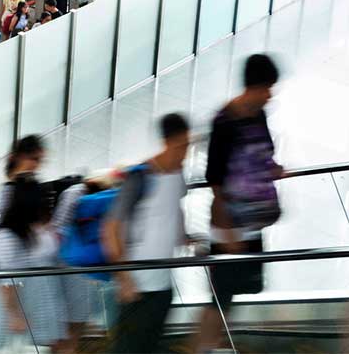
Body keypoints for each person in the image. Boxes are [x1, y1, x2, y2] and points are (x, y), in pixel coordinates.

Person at [194, 54, 283, 353]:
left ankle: (217, 344)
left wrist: (271, 168)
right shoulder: (225, 121)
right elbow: (215, 179)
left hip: (251, 221)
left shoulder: (257, 114)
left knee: (234, 290)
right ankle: (205, 346)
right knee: (221, 295)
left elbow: (262, 153)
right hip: (228, 223)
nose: (270, 95)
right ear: (254, 86)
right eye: (267, 87)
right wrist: (228, 230)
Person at [102, 113, 191, 353]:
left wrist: (184, 236)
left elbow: (175, 208)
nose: (185, 152)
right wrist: (123, 278)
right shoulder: (140, 176)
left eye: (188, 145)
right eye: (182, 145)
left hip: (162, 283)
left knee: (150, 345)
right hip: (137, 286)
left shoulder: (178, 174)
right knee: (128, 349)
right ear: (168, 141)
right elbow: (110, 228)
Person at [0, 176, 67, 353]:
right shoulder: (6, 235)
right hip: (16, 302)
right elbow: (6, 280)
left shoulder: (38, 229)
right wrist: (14, 314)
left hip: (39, 300)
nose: (48, 202)